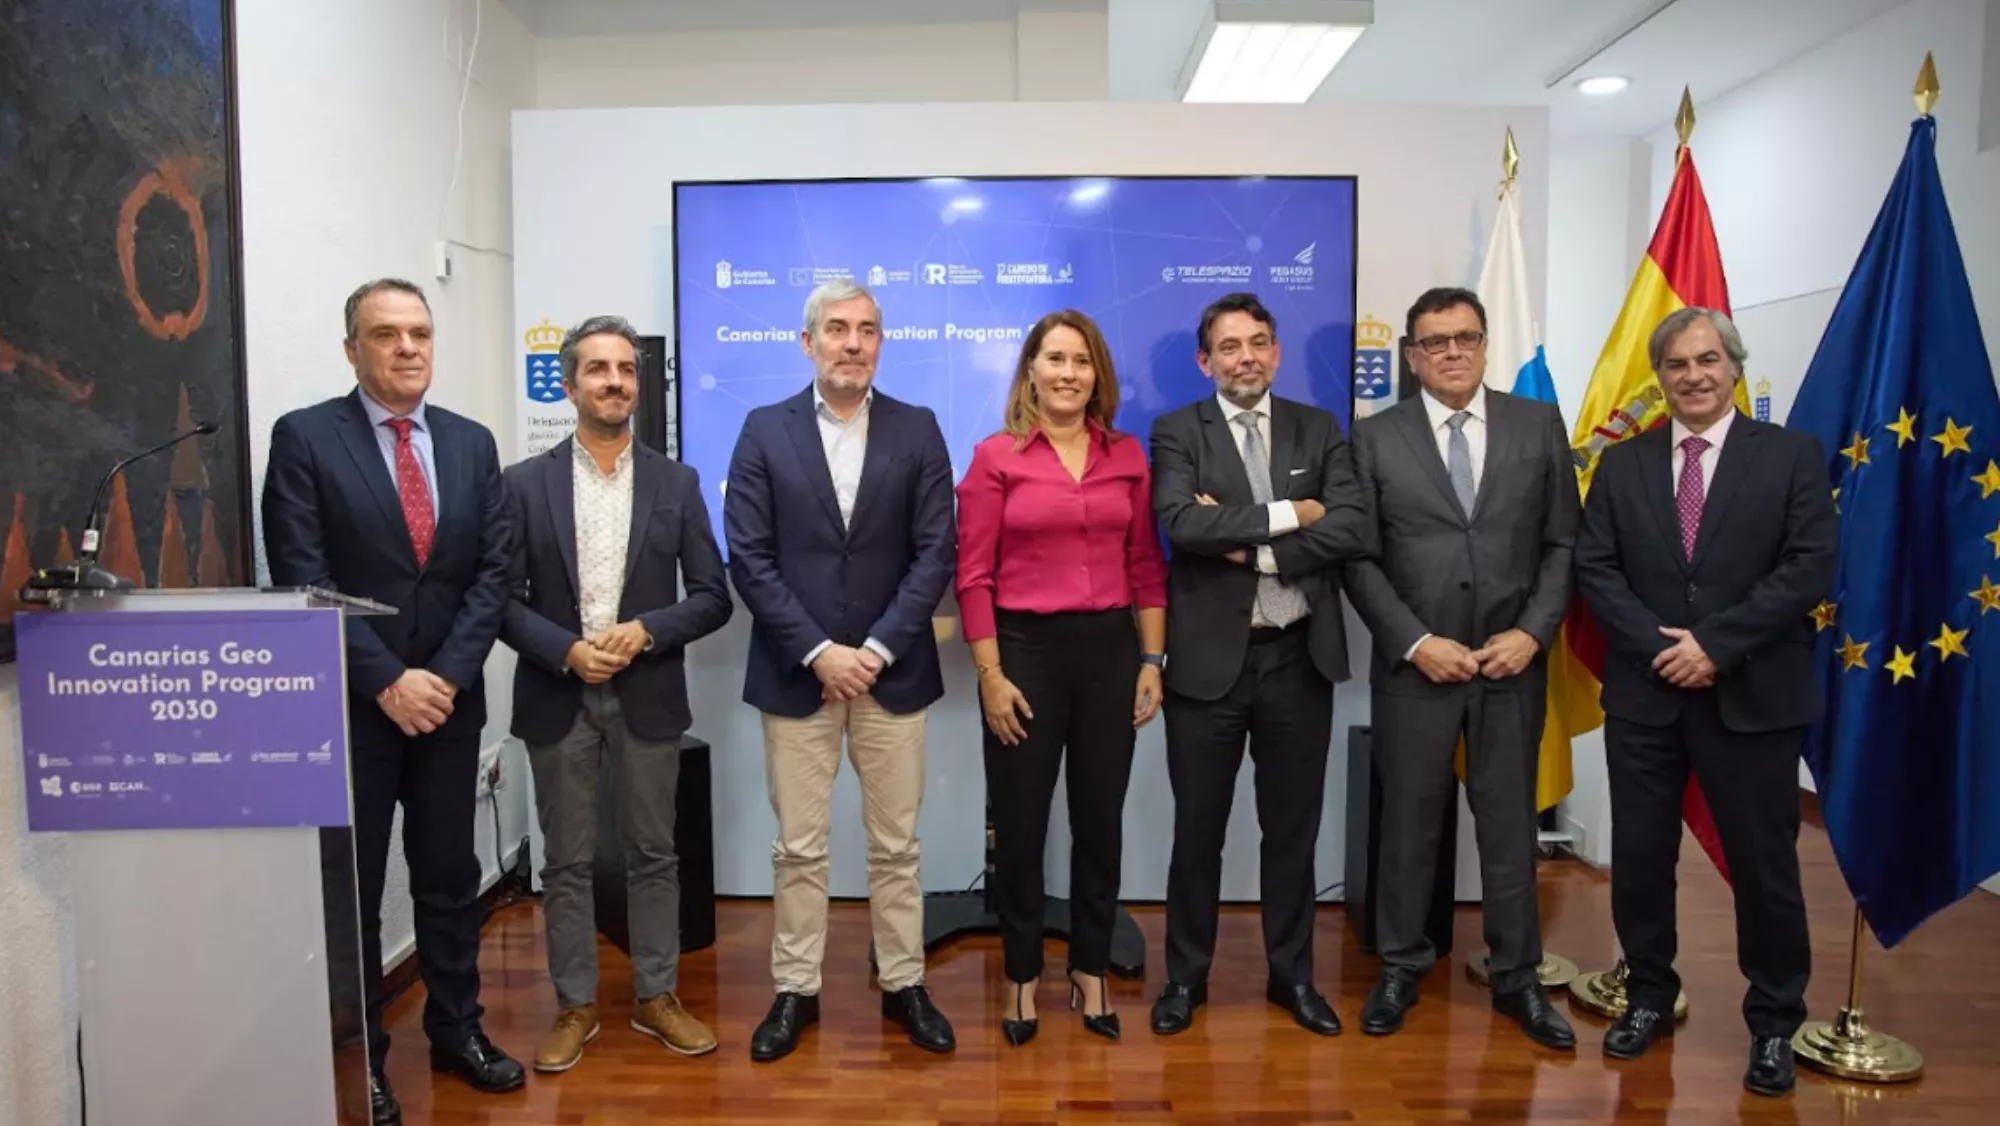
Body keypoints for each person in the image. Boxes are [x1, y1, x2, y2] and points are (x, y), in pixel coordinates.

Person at [261, 279, 521, 1126]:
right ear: (352, 350)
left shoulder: (471, 443)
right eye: (386, 334)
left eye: (420, 332)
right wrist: (385, 680)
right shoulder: (305, 439)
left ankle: (458, 1031)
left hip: (449, 704)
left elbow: (491, 574)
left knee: (450, 879)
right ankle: (360, 1063)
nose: (408, 348)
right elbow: (305, 579)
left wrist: (441, 676)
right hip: (355, 710)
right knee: (355, 892)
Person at [1575, 307, 1834, 1096]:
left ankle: (1774, 1025)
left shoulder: (1791, 456)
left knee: (1764, 868)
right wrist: (1662, 649)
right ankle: (1649, 995)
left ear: (1734, 366)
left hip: (1751, 694)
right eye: (1678, 363)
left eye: (1708, 359)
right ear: (1661, 376)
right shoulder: (1622, 466)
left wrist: (1715, 645)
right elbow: (1596, 568)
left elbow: (1809, 567)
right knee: (1643, 861)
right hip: (1647, 696)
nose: (1693, 375)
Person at [723, 279, 958, 1061]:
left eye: (867, 330)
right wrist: (821, 652)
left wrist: (878, 650)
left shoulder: (918, 429)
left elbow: (935, 553)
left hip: (895, 673)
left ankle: (903, 982)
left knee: (897, 845)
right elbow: (749, 559)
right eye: (836, 329)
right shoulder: (763, 429)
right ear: (807, 342)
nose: (852, 343)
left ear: (880, 343)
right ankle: (796, 990)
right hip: (798, 676)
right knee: (799, 847)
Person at [1343, 286, 1581, 1050]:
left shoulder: (1536, 424)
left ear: (1485, 346)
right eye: (1435, 340)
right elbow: (1360, 557)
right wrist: (1415, 641)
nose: (1452, 351)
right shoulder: (1374, 439)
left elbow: (1562, 546)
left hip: (1511, 664)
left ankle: (1518, 979)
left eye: (1466, 337)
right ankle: (1402, 968)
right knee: (1408, 825)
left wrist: (1533, 635)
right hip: (1418, 668)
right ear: (1411, 356)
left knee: (1511, 828)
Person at [499, 315, 732, 1071]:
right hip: (556, 691)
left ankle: (656, 997)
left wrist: (647, 632)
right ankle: (575, 1007)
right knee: (564, 862)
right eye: (598, 369)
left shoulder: (677, 482)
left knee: (653, 854)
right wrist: (565, 649)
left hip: (648, 691)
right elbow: (497, 601)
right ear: (568, 385)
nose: (615, 382)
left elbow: (712, 596)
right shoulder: (522, 485)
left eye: (627, 370)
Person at [1146, 292, 1374, 1038]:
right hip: (1209, 666)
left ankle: (1293, 978)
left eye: (1259, 343)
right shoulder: (1178, 431)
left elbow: (1348, 525)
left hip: (1296, 659)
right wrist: (1291, 512)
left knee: (1292, 832)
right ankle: (1185, 980)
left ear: (1276, 352)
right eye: (1229, 346)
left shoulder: (1319, 426)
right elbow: (1182, 523)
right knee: (1197, 832)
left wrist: (1253, 544)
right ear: (1204, 360)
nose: (1246, 357)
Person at [954, 310, 1168, 1047]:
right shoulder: (995, 458)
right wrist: (989, 675)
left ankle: (1090, 969)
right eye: (1054, 359)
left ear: (1096, 374)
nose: (1068, 372)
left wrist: (1151, 661)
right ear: (1031, 372)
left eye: (1081, 360)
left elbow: (1146, 568)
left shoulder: (1129, 457)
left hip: (1112, 651)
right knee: (1019, 827)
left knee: (1098, 824)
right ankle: (1019, 976)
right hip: (1024, 652)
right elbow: (973, 575)